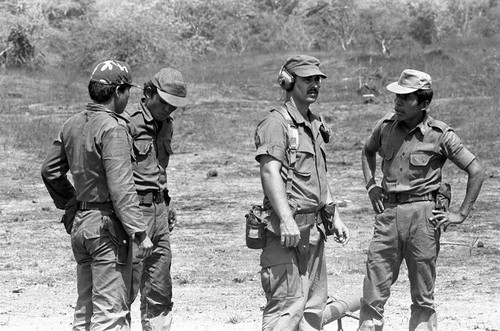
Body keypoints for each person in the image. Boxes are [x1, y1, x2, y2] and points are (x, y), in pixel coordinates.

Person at [358, 69, 484, 331]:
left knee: (423, 297)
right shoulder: (384, 127)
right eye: (397, 97)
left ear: (424, 103)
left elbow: (475, 170)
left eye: (406, 98)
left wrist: (460, 214)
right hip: (388, 215)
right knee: (373, 292)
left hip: (424, 218)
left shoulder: (440, 134)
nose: (398, 103)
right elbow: (367, 152)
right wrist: (371, 186)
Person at [41, 60, 154, 330]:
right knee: (110, 316)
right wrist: (139, 231)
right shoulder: (112, 128)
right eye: (127, 91)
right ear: (117, 92)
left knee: (85, 313)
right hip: (107, 231)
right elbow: (121, 186)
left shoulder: (71, 124)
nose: (128, 98)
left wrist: (72, 203)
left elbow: (50, 171)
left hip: (81, 226)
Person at [253, 54, 350, 330]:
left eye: (318, 79)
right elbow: (269, 172)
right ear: (288, 81)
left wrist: (336, 216)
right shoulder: (276, 123)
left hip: (315, 231)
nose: (315, 84)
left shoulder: (314, 123)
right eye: (307, 79)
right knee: (286, 309)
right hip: (287, 232)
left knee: (312, 309)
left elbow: (320, 176)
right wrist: (285, 219)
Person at [125, 67, 188, 330]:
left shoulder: (167, 124)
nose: (168, 110)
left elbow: (158, 169)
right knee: (123, 289)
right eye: (164, 103)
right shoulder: (127, 121)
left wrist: (167, 200)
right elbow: (117, 176)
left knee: (160, 288)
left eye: (174, 106)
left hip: (158, 210)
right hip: (132, 210)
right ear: (148, 92)